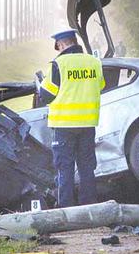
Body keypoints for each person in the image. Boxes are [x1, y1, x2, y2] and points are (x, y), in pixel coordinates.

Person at [38, 30, 105, 207]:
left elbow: (46, 95)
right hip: (88, 124)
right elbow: (101, 86)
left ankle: (66, 208)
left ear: (61, 45)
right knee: (87, 167)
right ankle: (89, 205)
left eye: (58, 47)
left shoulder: (58, 64)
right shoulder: (94, 62)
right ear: (75, 42)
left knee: (64, 168)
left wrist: (41, 85)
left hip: (64, 125)